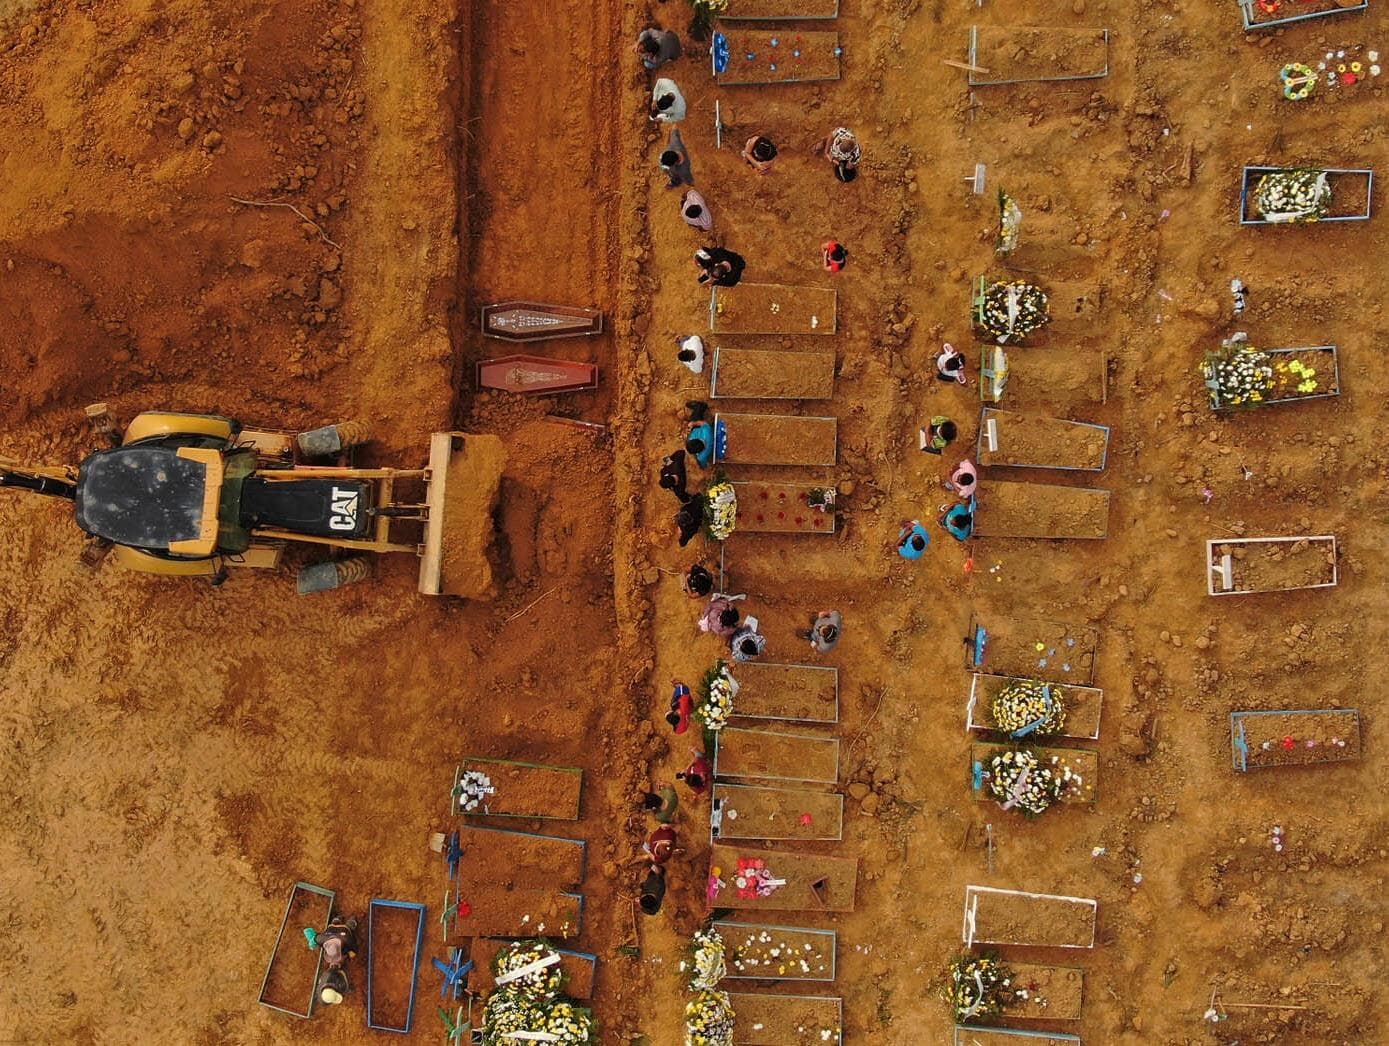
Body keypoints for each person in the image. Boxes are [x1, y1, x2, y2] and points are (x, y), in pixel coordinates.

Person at [312, 914, 359, 1006]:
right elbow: (316, 938)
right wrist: (312, 940)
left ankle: (350, 923)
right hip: (331, 930)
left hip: (344, 931)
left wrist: (352, 951)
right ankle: (336, 920)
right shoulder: (322, 938)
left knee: (349, 927)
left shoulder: (346, 938)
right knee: (334, 924)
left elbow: (353, 945)